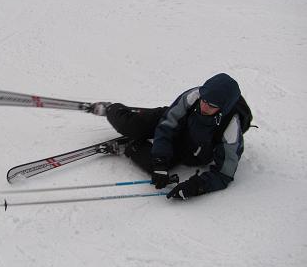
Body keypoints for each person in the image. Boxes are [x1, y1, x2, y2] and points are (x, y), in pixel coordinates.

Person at [91, 73, 245, 200]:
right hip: (173, 123)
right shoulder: (194, 96)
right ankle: (110, 109)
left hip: (188, 150)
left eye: (211, 105)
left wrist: (195, 186)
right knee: (130, 126)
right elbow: (167, 125)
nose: (204, 106)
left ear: (223, 108)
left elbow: (224, 173)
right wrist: (160, 160)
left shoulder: (230, 127)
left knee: (155, 168)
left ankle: (130, 146)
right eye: (204, 100)